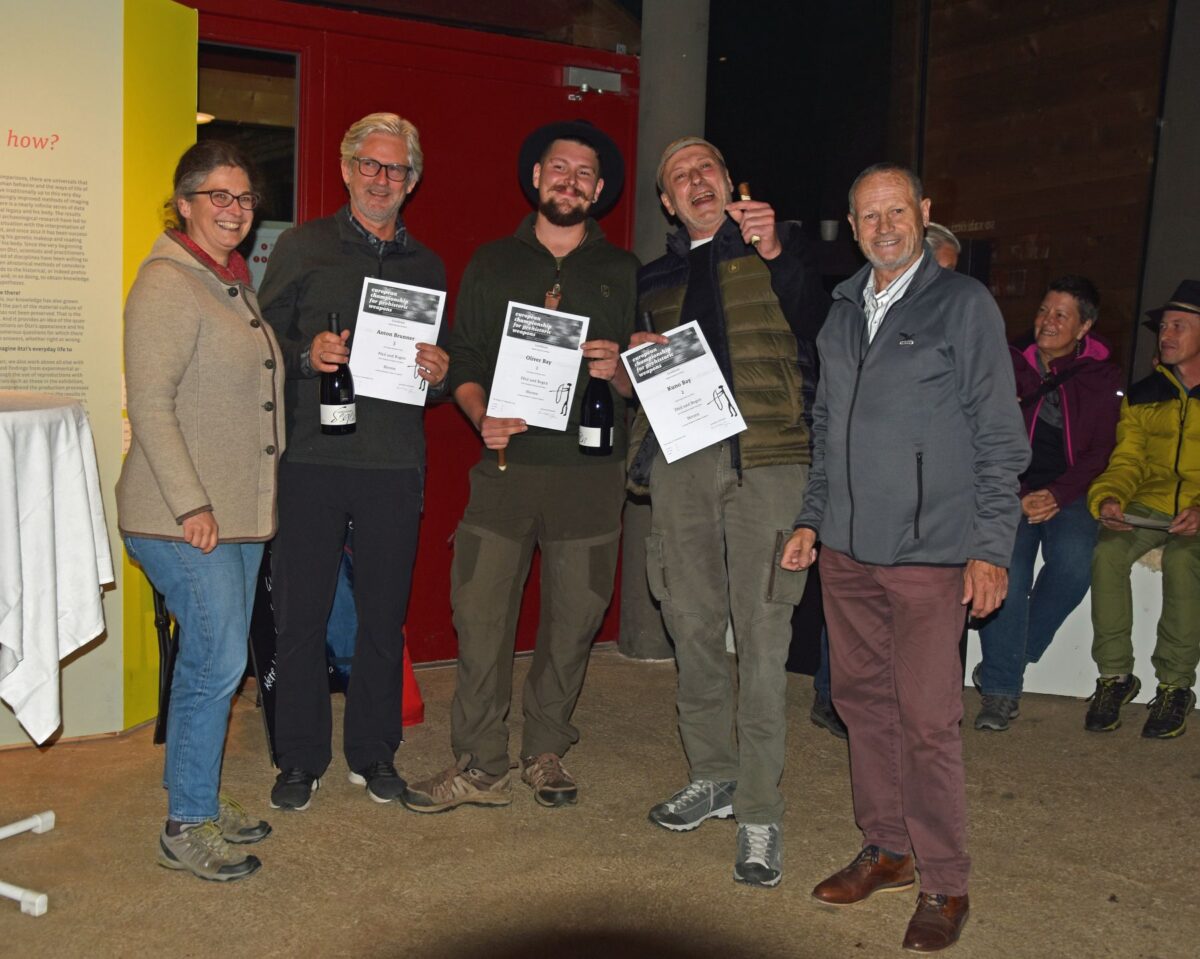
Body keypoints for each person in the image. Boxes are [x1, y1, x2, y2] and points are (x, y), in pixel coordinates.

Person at [782, 163, 1028, 952]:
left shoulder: (964, 305)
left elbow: (999, 436)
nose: (883, 225)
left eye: (897, 210)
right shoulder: (842, 310)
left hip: (930, 555)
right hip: (847, 553)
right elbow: (827, 431)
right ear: (851, 228)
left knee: (928, 721)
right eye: (868, 215)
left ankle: (946, 882)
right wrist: (813, 520)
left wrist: (990, 546)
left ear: (924, 211)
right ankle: (887, 846)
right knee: (862, 705)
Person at [401, 120, 637, 813]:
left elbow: (646, 380)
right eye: (557, 168)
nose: (569, 180)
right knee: (479, 616)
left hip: (592, 478)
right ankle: (479, 763)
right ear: (536, 179)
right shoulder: (491, 263)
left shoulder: (623, 272)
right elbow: (465, 360)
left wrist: (621, 371)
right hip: (504, 471)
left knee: (574, 620)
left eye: (584, 173)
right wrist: (481, 415)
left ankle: (546, 749)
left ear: (598, 191)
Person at [629, 136, 828, 889]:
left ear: (727, 181)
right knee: (691, 619)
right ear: (668, 203)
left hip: (769, 459)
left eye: (704, 167)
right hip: (683, 457)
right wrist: (633, 360)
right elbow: (633, 377)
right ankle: (712, 773)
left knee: (765, 629)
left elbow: (813, 322)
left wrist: (775, 251)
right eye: (679, 176)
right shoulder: (655, 276)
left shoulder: (781, 253)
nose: (695, 180)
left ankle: (760, 808)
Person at [258, 113, 449, 809]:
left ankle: (374, 752)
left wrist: (437, 368)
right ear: (345, 170)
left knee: (380, 620)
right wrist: (307, 357)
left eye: (395, 169)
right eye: (369, 165)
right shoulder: (303, 247)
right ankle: (299, 758)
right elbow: (264, 344)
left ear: (412, 181)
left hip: (394, 465)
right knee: (301, 617)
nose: (381, 180)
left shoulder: (426, 266)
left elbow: (434, 375)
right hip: (311, 458)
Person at [117, 140, 282, 881]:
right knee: (215, 661)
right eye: (218, 195)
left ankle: (199, 799)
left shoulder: (227, 282)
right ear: (183, 202)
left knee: (217, 660)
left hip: (236, 514)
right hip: (180, 513)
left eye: (244, 198)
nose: (234, 210)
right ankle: (185, 823)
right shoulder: (166, 283)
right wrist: (191, 504)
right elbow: (149, 405)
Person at [973, 276, 1121, 730]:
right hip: (1009, 489)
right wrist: (1017, 495)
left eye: (1061, 315)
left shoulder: (1101, 377)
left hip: (1069, 491)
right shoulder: (1007, 364)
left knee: (1076, 561)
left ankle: (1011, 659)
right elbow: (983, 433)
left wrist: (1057, 494)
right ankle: (1000, 692)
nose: (1047, 322)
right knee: (1008, 571)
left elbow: (1099, 452)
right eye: (1043, 311)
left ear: (1084, 328)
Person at [1085, 280, 1200, 739]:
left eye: (1179, 326)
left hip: (1196, 509)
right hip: (1149, 505)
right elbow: (1126, 461)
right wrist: (1108, 498)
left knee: (1184, 558)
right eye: (1163, 327)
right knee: (1108, 551)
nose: (1165, 335)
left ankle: (1175, 685)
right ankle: (1115, 677)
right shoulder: (1145, 393)